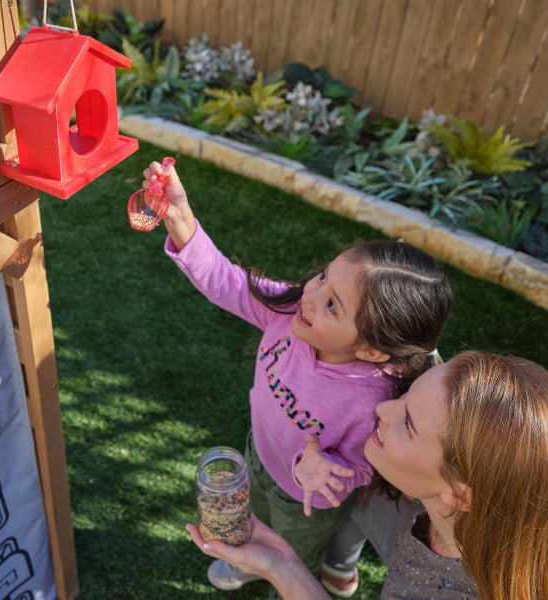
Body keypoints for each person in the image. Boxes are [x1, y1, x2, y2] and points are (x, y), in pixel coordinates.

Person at [144, 160, 452, 593]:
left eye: (332, 306)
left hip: (308, 500)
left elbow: (368, 465)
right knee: (254, 521)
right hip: (259, 451)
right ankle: (249, 562)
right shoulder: (289, 310)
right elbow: (225, 281)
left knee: (293, 558)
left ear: (371, 349)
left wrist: (329, 467)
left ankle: (277, 578)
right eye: (323, 277)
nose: (310, 294)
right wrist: (180, 217)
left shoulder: (375, 399)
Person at [188, 351, 548, 600]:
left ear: (461, 494)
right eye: (404, 397)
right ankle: (340, 570)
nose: (381, 408)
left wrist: (282, 570)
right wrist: (281, 565)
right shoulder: (475, 506)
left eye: (407, 423)